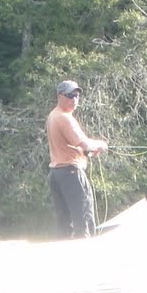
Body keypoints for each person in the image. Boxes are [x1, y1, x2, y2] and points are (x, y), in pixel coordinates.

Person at [46, 79, 106, 238]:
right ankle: (86, 249)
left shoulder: (53, 115)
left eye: (77, 96)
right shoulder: (65, 118)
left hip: (56, 174)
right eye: (70, 95)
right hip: (71, 173)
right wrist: (101, 144)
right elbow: (84, 143)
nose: (74, 99)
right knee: (83, 217)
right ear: (60, 96)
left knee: (64, 222)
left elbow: (68, 145)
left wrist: (86, 151)